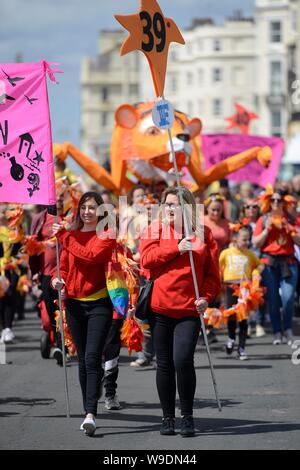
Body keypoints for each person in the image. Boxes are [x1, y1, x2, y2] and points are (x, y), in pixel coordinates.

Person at [140, 187, 220, 437]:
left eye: (175, 204)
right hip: (160, 307)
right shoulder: (155, 230)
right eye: (167, 204)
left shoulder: (204, 233)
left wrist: (205, 298)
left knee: (183, 360)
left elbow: (212, 276)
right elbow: (146, 260)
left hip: (188, 308)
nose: (170, 209)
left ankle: (187, 416)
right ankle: (167, 417)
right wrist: (176, 247)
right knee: (164, 364)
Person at [52, 191, 116, 436]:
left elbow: (90, 257)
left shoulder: (106, 235)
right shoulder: (70, 236)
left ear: (100, 211)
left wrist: (66, 236)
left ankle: (91, 413)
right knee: (82, 359)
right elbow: (65, 268)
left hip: (99, 304)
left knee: (91, 358)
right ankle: (88, 405)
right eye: (83, 207)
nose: (87, 211)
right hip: (75, 305)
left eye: (92, 207)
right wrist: (57, 281)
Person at [253, 189, 300, 346]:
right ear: (268, 202)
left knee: (288, 299)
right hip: (270, 264)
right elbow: (256, 243)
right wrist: (266, 229)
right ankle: (277, 332)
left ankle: (287, 329)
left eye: (278, 200)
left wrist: (290, 230)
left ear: (283, 203)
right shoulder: (263, 219)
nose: (275, 203)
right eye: (272, 200)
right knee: (273, 300)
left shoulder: (292, 219)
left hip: (289, 263)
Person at [219, 226, 264, 360]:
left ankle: (242, 347)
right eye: (244, 239)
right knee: (232, 315)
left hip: (244, 288)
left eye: (248, 240)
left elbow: (260, 264)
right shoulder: (226, 253)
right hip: (230, 287)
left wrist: (256, 273)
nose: (247, 242)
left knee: (243, 318)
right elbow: (217, 267)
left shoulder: (249, 254)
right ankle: (231, 338)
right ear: (235, 239)